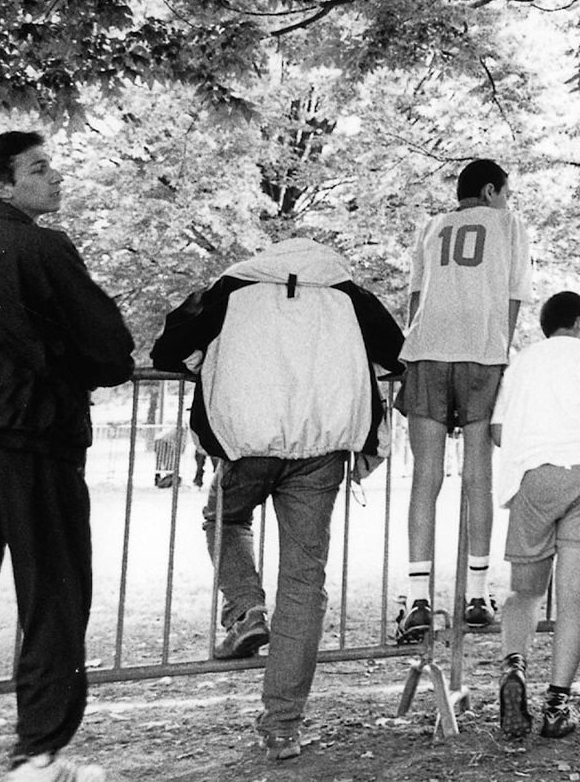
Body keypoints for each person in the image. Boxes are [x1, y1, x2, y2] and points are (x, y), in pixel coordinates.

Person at [151, 236, 404, 763]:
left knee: (224, 518)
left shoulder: (232, 287)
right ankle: (283, 726)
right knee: (304, 582)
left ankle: (245, 607)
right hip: (322, 446)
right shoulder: (347, 292)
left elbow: (166, 351)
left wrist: (210, 361)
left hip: (247, 440)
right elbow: (395, 355)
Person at [0, 131, 134, 782]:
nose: (56, 176)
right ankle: (38, 752)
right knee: (54, 593)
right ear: (2, 186)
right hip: (34, 433)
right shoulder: (44, 247)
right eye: (39, 168)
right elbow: (109, 348)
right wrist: (71, 366)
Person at [395, 159, 534, 643]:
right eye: (506, 193)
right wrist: (500, 352)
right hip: (481, 354)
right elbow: (514, 298)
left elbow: (415, 300)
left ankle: (417, 599)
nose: (508, 201)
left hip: (426, 353)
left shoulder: (430, 227)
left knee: (425, 477)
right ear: (491, 190)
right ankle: (476, 593)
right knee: (478, 476)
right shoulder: (509, 225)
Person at [492, 292, 580, 741]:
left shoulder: (522, 362)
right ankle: (557, 705)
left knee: (525, 591)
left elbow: (498, 431)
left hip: (536, 475)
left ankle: (514, 667)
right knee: (574, 594)